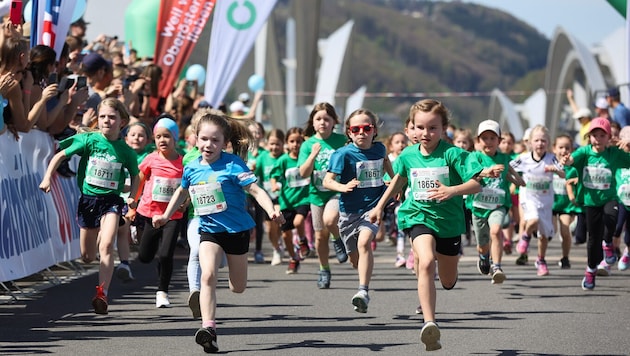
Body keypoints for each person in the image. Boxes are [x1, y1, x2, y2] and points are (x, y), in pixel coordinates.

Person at [152, 111, 284, 353]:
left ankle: (217, 308)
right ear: (195, 139)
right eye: (204, 139)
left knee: (238, 287)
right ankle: (208, 328)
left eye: (215, 140)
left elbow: (255, 190)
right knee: (207, 276)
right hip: (209, 229)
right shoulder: (191, 168)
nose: (208, 145)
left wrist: (271, 210)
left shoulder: (234, 164)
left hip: (236, 231)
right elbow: (182, 193)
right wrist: (165, 215)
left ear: (225, 143)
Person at [369, 99, 487, 351]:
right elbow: (397, 181)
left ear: (444, 128)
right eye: (420, 127)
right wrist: (379, 207)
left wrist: (452, 190)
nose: (426, 133)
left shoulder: (453, 154)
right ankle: (429, 323)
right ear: (411, 128)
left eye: (432, 128)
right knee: (424, 261)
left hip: (449, 223)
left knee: (447, 279)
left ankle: (448, 279)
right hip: (417, 215)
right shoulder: (408, 155)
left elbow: (478, 184)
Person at [39, 98, 140, 314]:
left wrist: (131, 197)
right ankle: (96, 268)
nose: (106, 121)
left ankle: (102, 293)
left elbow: (135, 175)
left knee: (106, 245)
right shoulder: (89, 140)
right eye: (103, 116)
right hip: (88, 201)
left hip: (112, 201)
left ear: (122, 122)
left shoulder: (125, 151)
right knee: (88, 255)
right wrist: (48, 177)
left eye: (112, 117)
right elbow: (59, 156)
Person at [323, 109, 393, 313]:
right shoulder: (342, 154)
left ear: (374, 131)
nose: (361, 132)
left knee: (365, 244)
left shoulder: (379, 149)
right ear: (349, 133)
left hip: (373, 207)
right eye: (356, 129)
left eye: (366, 128)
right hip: (348, 212)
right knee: (355, 259)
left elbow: (386, 161)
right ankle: (362, 281)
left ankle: (363, 291)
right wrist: (342, 187)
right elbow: (328, 181)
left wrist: (393, 181)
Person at [560, 117, 630, 289]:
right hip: (591, 202)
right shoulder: (584, 153)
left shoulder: (614, 154)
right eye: (594, 135)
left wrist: (628, 144)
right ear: (589, 137)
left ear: (608, 138)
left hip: (609, 198)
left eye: (602, 135)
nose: (598, 139)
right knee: (593, 239)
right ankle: (591, 270)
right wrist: (566, 160)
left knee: (611, 219)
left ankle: (608, 244)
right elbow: (571, 160)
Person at [133, 118, 185, 308]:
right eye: (158, 137)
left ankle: (162, 292)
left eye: (167, 136)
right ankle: (145, 242)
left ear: (176, 138)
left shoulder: (182, 162)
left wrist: (185, 203)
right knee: (145, 256)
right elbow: (139, 180)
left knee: (165, 255)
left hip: (173, 215)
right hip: (149, 213)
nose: (162, 140)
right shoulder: (151, 159)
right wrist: (133, 204)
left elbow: (187, 188)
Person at [298, 102, 348, 289]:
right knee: (319, 238)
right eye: (318, 119)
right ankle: (324, 269)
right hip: (316, 194)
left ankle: (337, 239)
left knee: (330, 219)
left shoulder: (342, 141)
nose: (322, 123)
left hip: (336, 190)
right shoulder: (308, 144)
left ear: (334, 121)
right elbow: (303, 173)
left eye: (327, 119)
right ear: (313, 121)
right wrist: (312, 155)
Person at [467, 120, 524, 284]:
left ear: (499, 141)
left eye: (493, 138)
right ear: (478, 141)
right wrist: (486, 173)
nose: (489, 142)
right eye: (484, 138)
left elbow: (511, 175)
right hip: (478, 206)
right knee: (482, 245)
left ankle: (497, 266)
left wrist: (517, 180)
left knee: (496, 230)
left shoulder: (504, 159)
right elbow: (471, 176)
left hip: (498, 205)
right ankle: (484, 256)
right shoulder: (475, 157)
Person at [510, 125, 565, 276]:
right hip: (529, 198)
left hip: (546, 200)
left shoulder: (551, 158)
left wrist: (556, 170)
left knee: (544, 235)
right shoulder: (524, 158)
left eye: (543, 140)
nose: (540, 143)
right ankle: (525, 237)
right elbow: (508, 168)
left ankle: (541, 260)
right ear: (530, 143)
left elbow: (563, 174)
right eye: (536, 140)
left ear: (548, 142)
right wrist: (517, 180)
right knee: (532, 220)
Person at [270, 127, 312, 273]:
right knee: (286, 235)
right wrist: (274, 185)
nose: (295, 144)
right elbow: (274, 175)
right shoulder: (283, 160)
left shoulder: (307, 159)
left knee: (298, 222)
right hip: (286, 201)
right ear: (287, 143)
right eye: (292, 141)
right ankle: (294, 258)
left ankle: (302, 240)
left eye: (299, 141)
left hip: (303, 198)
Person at [255, 128, 285, 266]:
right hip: (267, 197)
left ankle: (278, 246)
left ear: (283, 144)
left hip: (282, 197)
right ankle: (276, 247)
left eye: (277, 144)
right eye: (272, 144)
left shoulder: (284, 158)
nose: (274, 147)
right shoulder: (263, 158)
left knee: (278, 222)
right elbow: (257, 175)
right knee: (270, 228)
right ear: (267, 144)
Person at [551, 134, 580, 269]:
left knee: (565, 231)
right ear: (554, 148)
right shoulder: (548, 164)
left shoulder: (573, 166)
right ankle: (542, 257)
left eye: (567, 147)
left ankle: (565, 257)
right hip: (551, 204)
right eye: (560, 147)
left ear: (572, 149)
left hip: (566, 205)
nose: (563, 151)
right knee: (551, 231)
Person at [383, 131, 409, 267]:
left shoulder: (410, 158)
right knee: (396, 225)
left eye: (403, 142)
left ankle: (403, 255)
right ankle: (400, 254)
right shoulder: (388, 160)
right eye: (397, 142)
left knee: (402, 228)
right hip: (391, 200)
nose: (401, 145)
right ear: (391, 146)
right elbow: (385, 180)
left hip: (406, 200)